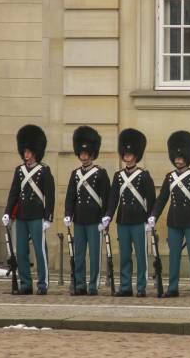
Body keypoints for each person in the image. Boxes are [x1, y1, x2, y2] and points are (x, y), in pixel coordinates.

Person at [149, 131, 190, 298]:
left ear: (187, 158)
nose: (178, 159)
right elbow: (162, 199)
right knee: (174, 256)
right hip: (174, 221)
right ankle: (172, 287)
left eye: (181, 157)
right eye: (176, 157)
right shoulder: (170, 177)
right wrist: (154, 215)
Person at [2, 125, 55, 295]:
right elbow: (13, 193)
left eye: (29, 151)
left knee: (40, 251)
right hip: (22, 216)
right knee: (22, 251)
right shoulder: (19, 171)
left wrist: (48, 217)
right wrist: (7, 212)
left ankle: (42, 284)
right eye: (24, 151)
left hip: (37, 216)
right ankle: (25, 283)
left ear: (35, 152)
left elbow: (50, 196)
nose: (26, 155)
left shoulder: (44, 171)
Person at [103, 128, 156, 297]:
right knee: (125, 255)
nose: (127, 155)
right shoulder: (118, 176)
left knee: (141, 256)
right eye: (125, 153)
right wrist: (108, 216)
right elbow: (113, 199)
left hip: (139, 220)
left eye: (130, 153)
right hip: (123, 220)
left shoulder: (143, 175)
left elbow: (151, 199)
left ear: (135, 155)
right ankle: (125, 286)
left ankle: (141, 287)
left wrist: (150, 219)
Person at [64, 126, 110, 296]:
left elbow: (106, 197)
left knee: (95, 255)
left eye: (86, 154)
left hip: (94, 220)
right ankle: (80, 283)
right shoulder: (75, 174)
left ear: (92, 154)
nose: (83, 156)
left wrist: (105, 217)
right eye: (81, 154)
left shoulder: (100, 173)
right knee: (79, 255)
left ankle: (93, 285)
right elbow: (70, 197)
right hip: (80, 219)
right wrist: (68, 214)